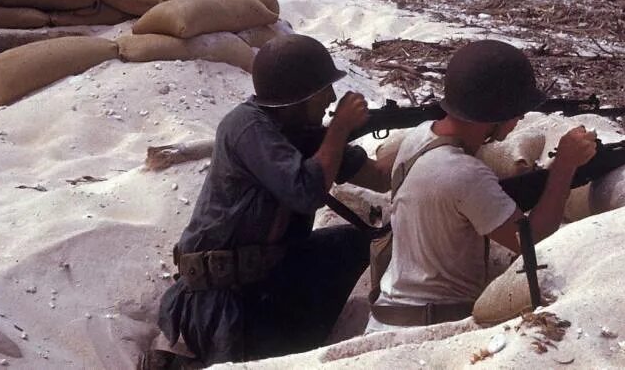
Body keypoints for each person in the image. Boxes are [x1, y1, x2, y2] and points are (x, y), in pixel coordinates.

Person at [154, 35, 391, 367]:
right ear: (298, 97)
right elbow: (305, 192)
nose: (331, 98)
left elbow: (379, 177)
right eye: (323, 90)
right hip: (222, 298)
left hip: (268, 271)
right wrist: (339, 129)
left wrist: (433, 140)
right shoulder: (247, 127)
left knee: (357, 243)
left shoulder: (301, 131)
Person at [366, 40, 598, 329]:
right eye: (516, 111)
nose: (520, 119)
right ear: (494, 113)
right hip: (429, 323)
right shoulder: (464, 173)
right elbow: (532, 239)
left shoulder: (420, 136)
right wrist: (564, 166)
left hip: (388, 313)